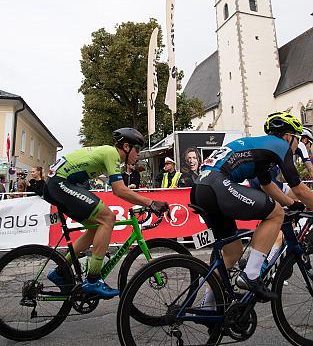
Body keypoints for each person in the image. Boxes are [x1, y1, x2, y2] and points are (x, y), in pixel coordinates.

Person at [191, 112, 313, 302]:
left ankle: (208, 307)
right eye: (297, 140)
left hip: (201, 188)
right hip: (217, 185)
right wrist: (302, 203)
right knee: (275, 214)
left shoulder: (262, 148)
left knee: (232, 253)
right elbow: (299, 189)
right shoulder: (281, 146)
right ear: (289, 137)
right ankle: (251, 274)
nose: (297, 146)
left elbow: (267, 185)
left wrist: (293, 204)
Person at [44, 128, 169, 299]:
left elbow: (117, 187)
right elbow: (120, 191)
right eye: (136, 150)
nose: (137, 155)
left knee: (96, 227)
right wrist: (151, 202)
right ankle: (93, 279)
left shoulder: (109, 156)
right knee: (108, 218)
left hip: (58, 184)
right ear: (126, 146)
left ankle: (61, 270)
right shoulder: (111, 153)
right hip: (61, 183)